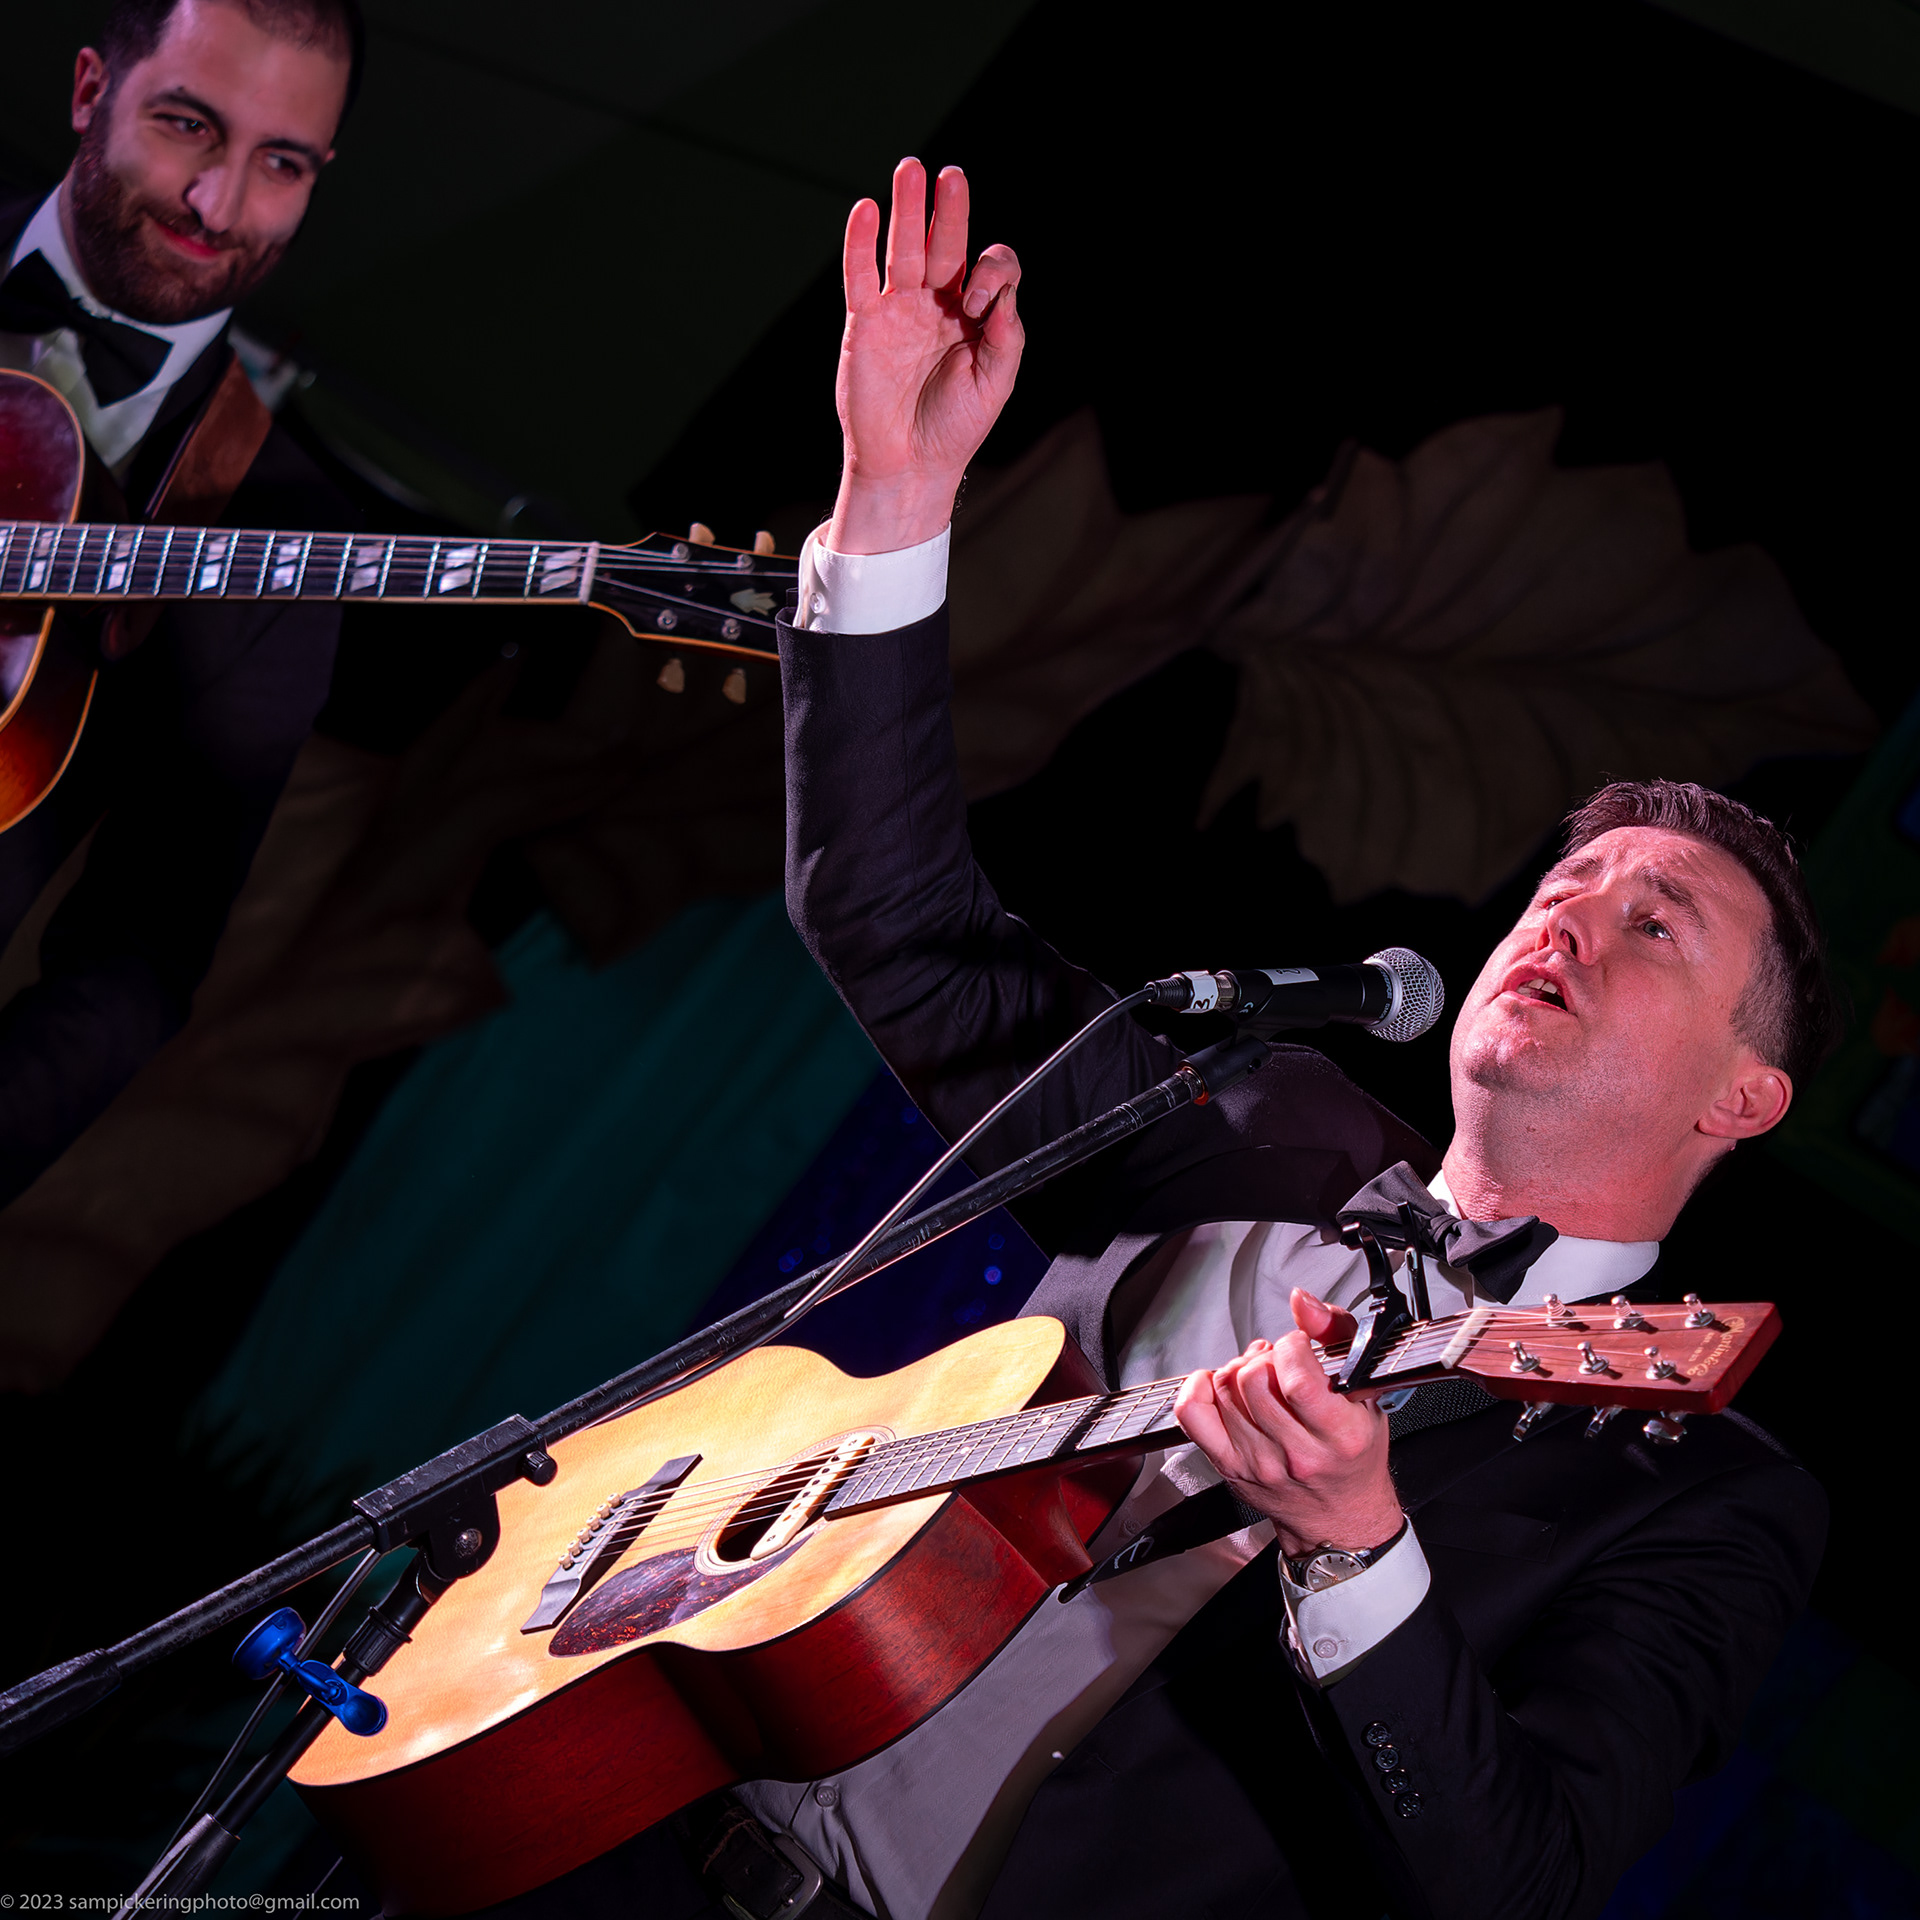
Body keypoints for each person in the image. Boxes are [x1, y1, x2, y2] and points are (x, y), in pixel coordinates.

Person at [0, 0, 360, 1205]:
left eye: (281, 164)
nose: (219, 204)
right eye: (188, 125)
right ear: (89, 90)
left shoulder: (280, 530)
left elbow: (138, 961)